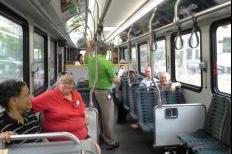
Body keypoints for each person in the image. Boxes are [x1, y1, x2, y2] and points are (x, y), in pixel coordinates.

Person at [32, 73, 89, 141]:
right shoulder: (49, 96)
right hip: (60, 141)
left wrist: (86, 116)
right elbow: (29, 105)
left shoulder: (76, 95)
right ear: (58, 84)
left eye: (70, 83)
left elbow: (83, 107)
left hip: (82, 136)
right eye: (64, 83)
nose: (68, 85)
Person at [87, 41, 120, 150]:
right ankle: (110, 141)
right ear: (107, 51)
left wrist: (90, 47)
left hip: (93, 91)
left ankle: (102, 135)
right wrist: (119, 79)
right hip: (104, 93)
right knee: (107, 118)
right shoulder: (106, 63)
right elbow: (114, 79)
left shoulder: (91, 60)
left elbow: (88, 54)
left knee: (99, 116)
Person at [0, 80, 41, 144]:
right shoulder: (2, 125)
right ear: (13, 101)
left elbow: (41, 138)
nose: (31, 98)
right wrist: (2, 139)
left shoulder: (31, 115)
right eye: (27, 95)